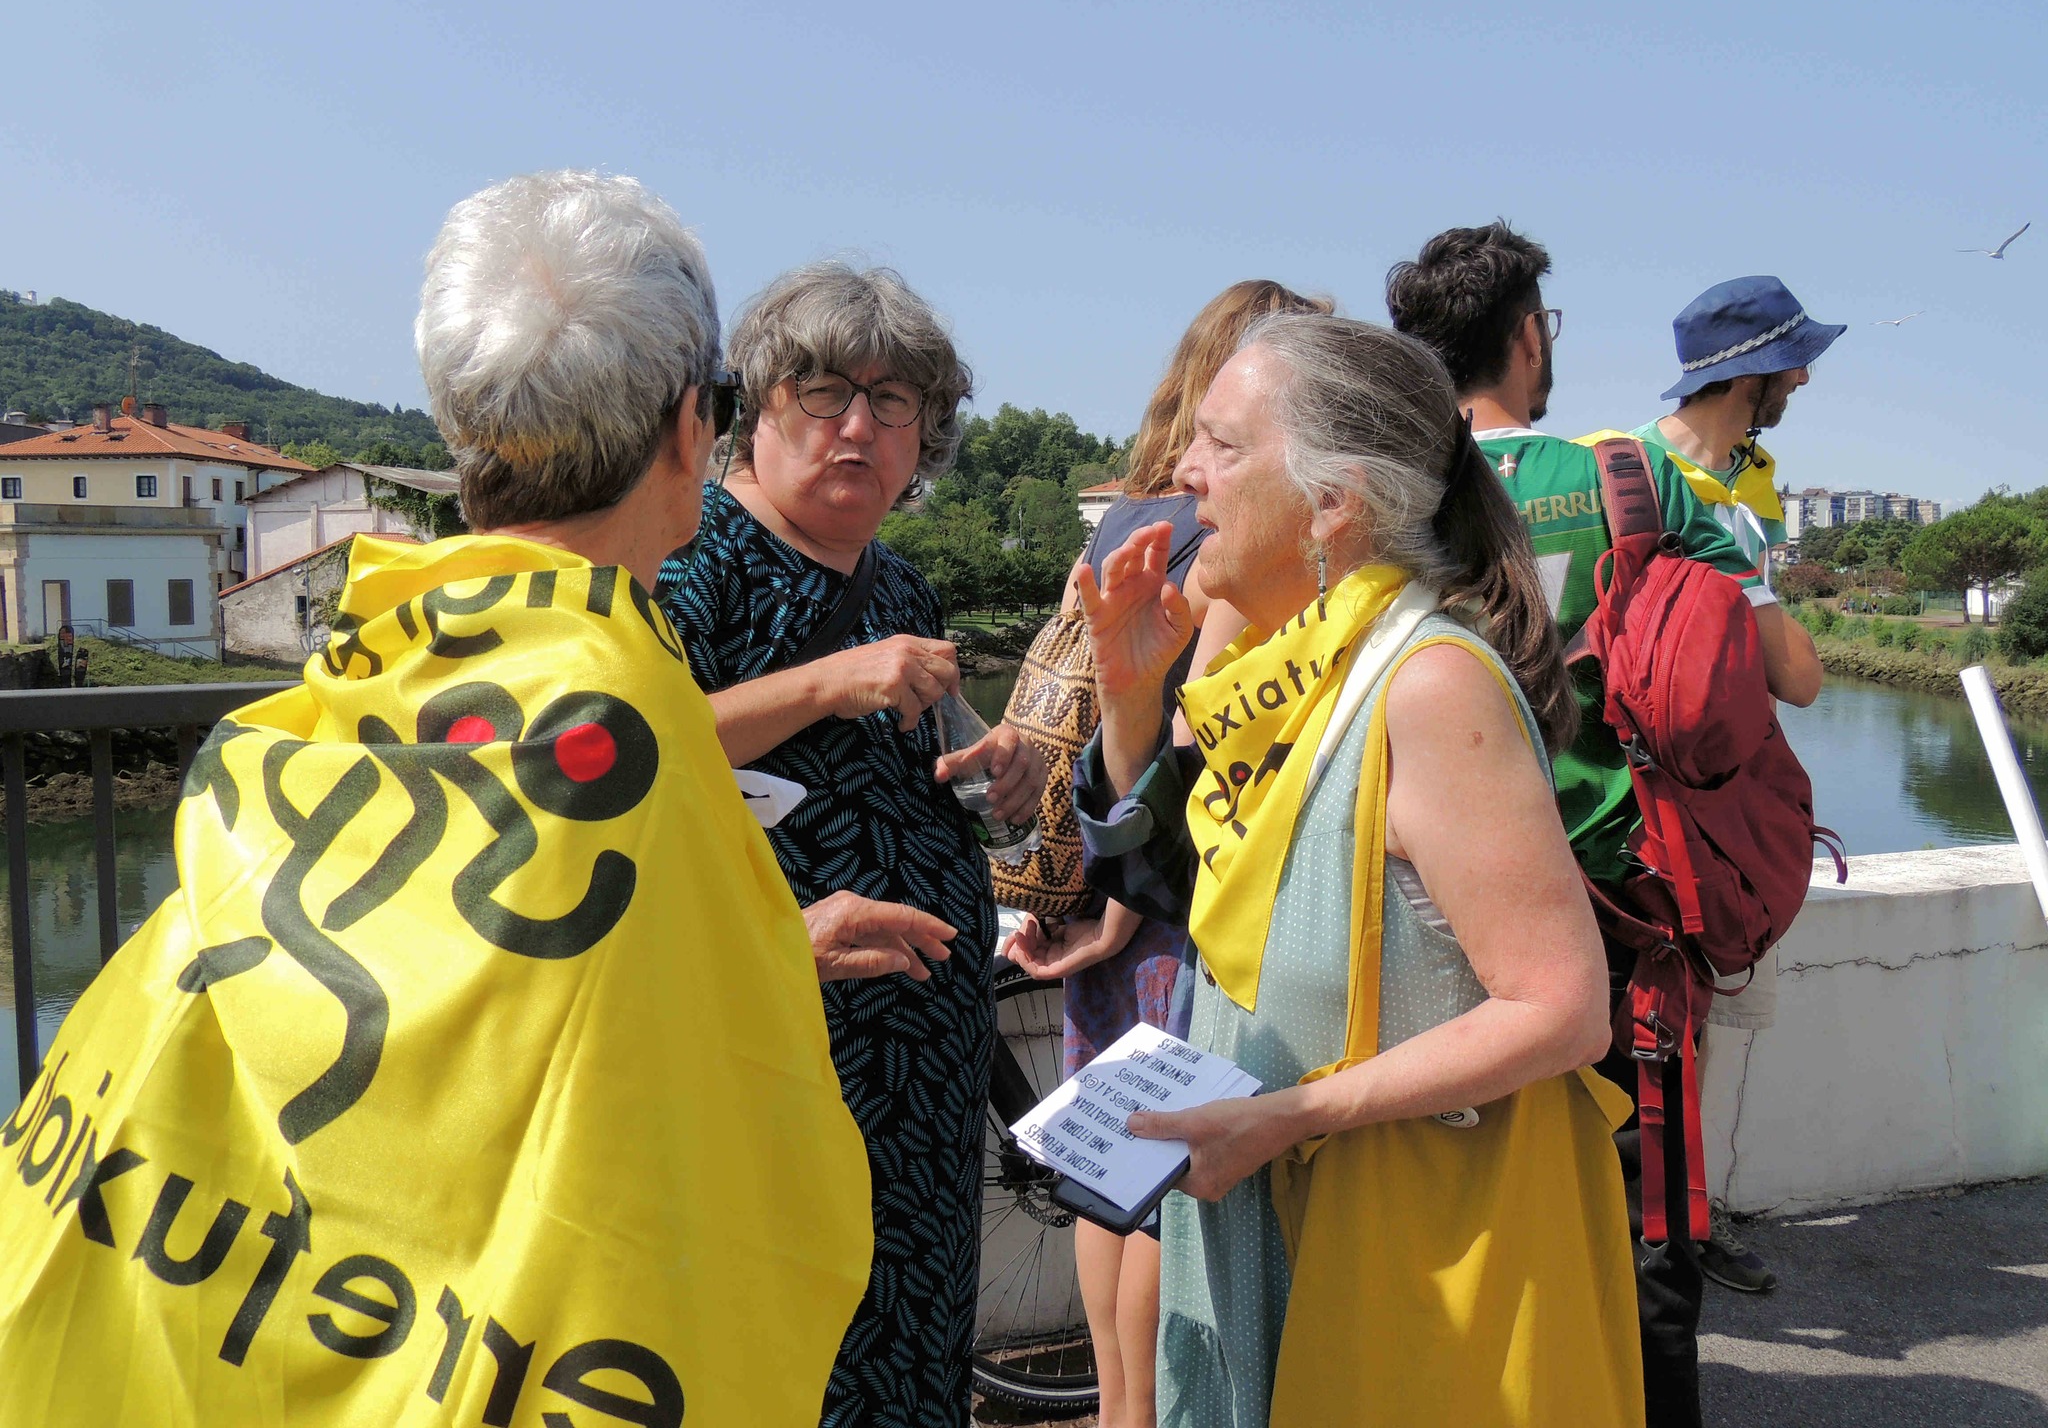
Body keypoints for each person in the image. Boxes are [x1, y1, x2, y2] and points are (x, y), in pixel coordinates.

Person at [0, 171, 953, 1426]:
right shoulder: (612, 704)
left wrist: (772, 941)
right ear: (691, 428)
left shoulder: (368, 655)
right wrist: (776, 954)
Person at [1073, 314, 1643, 1428]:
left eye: (1223, 447)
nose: (1184, 472)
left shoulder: (1426, 686)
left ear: (1333, 503)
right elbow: (1178, 892)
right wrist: (1128, 695)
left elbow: (1564, 1010)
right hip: (1289, 1210)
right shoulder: (1284, 670)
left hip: (1408, 1254)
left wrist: (1290, 1115)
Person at [1387, 222, 1822, 1428]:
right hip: (1619, 911)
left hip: (1429, 919)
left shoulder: (1382, 496)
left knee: (1450, 1208)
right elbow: (1791, 678)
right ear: (1528, 336)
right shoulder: (1634, 478)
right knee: (1641, 1217)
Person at [655, 262, 1047, 1428]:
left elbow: (940, 771)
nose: (858, 428)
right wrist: (827, 681)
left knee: (913, 1352)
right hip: (776, 1045)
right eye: (822, 393)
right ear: (753, 408)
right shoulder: (696, 560)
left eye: (893, 404)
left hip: (921, 1063)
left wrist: (1003, 776)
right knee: (789, 1360)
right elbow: (634, 750)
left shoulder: (898, 581)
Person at [1004, 278, 1328, 1428]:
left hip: (1091, 882)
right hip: (1161, 906)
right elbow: (1196, 737)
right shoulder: (1227, 540)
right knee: (1162, 1182)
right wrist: (1135, 902)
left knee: (1107, 1167)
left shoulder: (1125, 516)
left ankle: (1111, 1406)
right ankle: (1143, 1413)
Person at [1630, 274, 1845, 1295]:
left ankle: (1686, 1215)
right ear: (1748, 373)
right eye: (1790, 361)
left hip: (1722, 797)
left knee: (1699, 1022)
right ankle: (1660, 1232)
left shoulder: (1747, 476)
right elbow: (1794, 672)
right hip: (1657, 804)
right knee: (1654, 1025)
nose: (1802, 376)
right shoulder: (1632, 473)